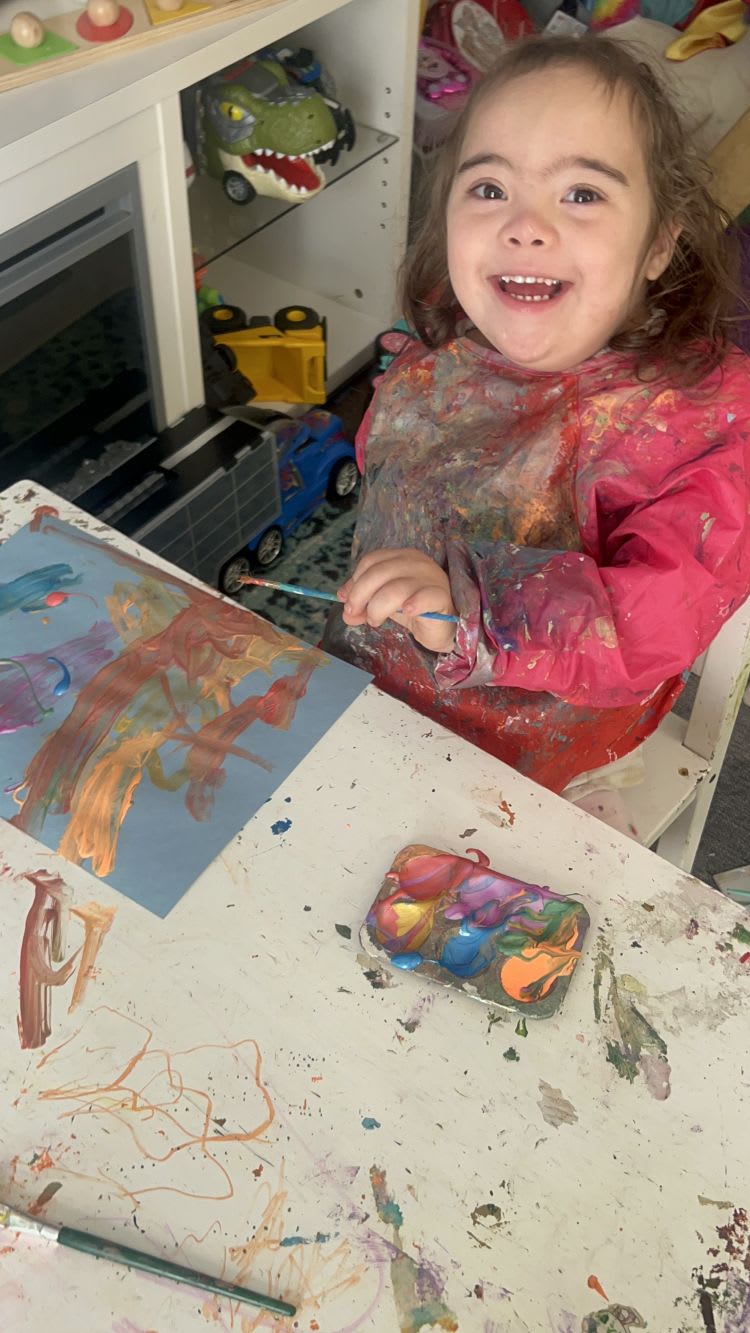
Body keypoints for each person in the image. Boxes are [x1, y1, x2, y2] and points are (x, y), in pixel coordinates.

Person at [322, 35, 750, 795]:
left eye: (582, 194)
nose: (526, 225)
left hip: (537, 757)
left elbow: (655, 622)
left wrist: (470, 607)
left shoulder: (702, 424)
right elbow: (389, 475)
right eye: (489, 188)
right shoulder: (439, 358)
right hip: (371, 689)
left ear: (658, 243)